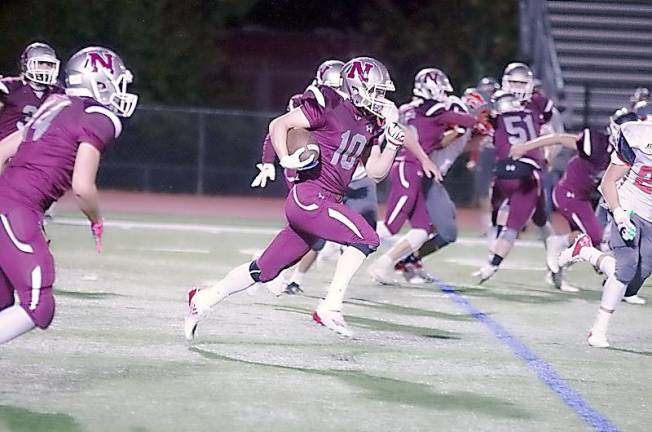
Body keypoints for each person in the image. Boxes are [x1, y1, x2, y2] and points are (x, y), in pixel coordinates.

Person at [185, 57, 407, 339]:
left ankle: (203, 299)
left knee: (264, 269)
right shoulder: (329, 103)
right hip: (310, 196)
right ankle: (331, 307)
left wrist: (392, 147)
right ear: (356, 86)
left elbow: (375, 173)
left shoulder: (370, 123)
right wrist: (285, 158)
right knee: (367, 238)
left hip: (328, 200)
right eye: (375, 91)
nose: (380, 98)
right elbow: (279, 125)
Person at [0, 47, 137, 344]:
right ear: (98, 82)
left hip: (8, 205)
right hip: (18, 209)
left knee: (4, 303)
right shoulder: (99, 117)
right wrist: (96, 221)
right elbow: (82, 187)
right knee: (39, 307)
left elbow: (1, 153)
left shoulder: (53, 103)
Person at [369, 68, 477, 285]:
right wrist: (477, 116)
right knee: (392, 225)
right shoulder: (433, 109)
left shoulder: (410, 109)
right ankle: (340, 242)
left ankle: (384, 264)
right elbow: (466, 120)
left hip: (413, 166)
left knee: (422, 229)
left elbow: (431, 139)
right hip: (408, 165)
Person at [509, 109, 637, 291]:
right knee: (593, 238)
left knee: (585, 238)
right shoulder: (597, 143)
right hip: (568, 194)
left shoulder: (630, 155)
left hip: (582, 198)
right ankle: (557, 244)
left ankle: (557, 272)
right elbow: (559, 138)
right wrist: (525, 147)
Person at [558, 118, 652, 347]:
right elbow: (608, 182)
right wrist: (619, 214)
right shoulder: (639, 137)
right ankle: (598, 330)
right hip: (628, 207)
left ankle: (587, 252)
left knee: (633, 282)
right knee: (626, 266)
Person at [0, 42, 63, 156]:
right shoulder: (12, 86)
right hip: (6, 153)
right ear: (26, 65)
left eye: (49, 65)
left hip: (36, 155)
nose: (45, 68)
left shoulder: (58, 93)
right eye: (40, 63)